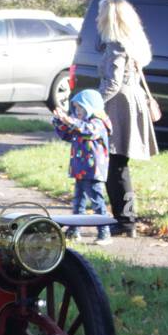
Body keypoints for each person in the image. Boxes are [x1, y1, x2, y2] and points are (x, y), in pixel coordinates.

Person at [96, 0, 158, 237]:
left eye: (100, 13)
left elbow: (111, 83)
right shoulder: (131, 42)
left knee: (116, 166)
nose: (96, 18)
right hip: (131, 100)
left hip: (119, 105)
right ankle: (127, 219)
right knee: (120, 167)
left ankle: (125, 220)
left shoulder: (116, 45)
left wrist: (90, 104)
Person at [52, 88, 113, 245]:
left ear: (90, 107)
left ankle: (104, 232)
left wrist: (69, 120)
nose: (77, 111)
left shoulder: (98, 123)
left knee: (96, 201)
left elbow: (89, 131)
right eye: (76, 108)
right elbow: (67, 135)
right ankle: (74, 230)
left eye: (80, 108)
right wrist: (60, 122)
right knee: (78, 201)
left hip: (93, 171)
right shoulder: (80, 124)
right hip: (80, 169)